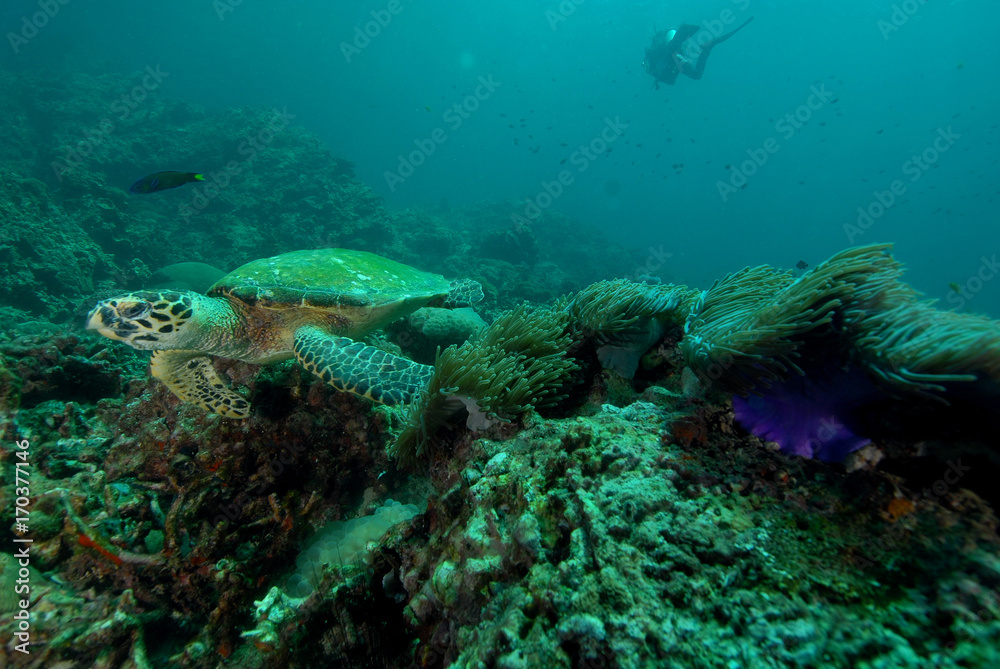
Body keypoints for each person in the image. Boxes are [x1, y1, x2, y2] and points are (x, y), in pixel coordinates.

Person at [644, 17, 754, 88]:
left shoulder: (656, 65)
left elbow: (658, 57)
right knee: (695, 74)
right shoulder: (664, 69)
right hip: (673, 54)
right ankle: (707, 48)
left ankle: (706, 48)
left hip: (671, 53)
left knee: (696, 74)